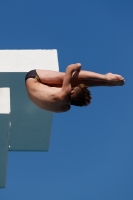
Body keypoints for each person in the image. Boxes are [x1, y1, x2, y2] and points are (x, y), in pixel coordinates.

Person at [25, 63, 125, 113]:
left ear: (72, 92)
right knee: (67, 83)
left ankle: (105, 78)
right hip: (32, 94)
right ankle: (106, 83)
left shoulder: (63, 93)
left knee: (65, 78)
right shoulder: (65, 108)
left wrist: (77, 65)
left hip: (33, 78)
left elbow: (70, 68)